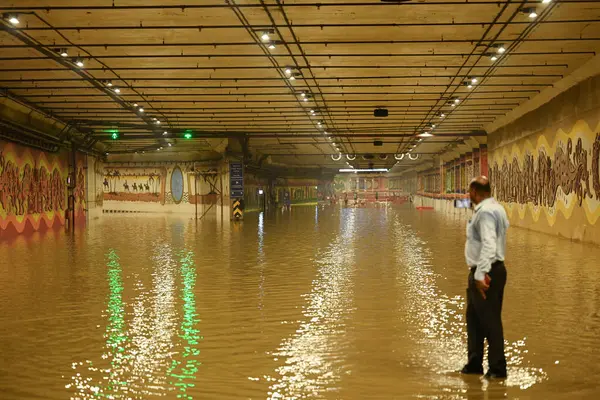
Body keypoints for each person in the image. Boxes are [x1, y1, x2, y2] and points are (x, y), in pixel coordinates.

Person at [461, 176, 510, 379]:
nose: (467, 196)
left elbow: (489, 245)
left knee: (490, 321)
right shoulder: (495, 208)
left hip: (486, 272)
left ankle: (497, 370)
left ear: (474, 191)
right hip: (488, 270)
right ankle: (474, 363)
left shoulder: (486, 213)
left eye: (469, 192)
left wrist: (481, 275)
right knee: (473, 319)